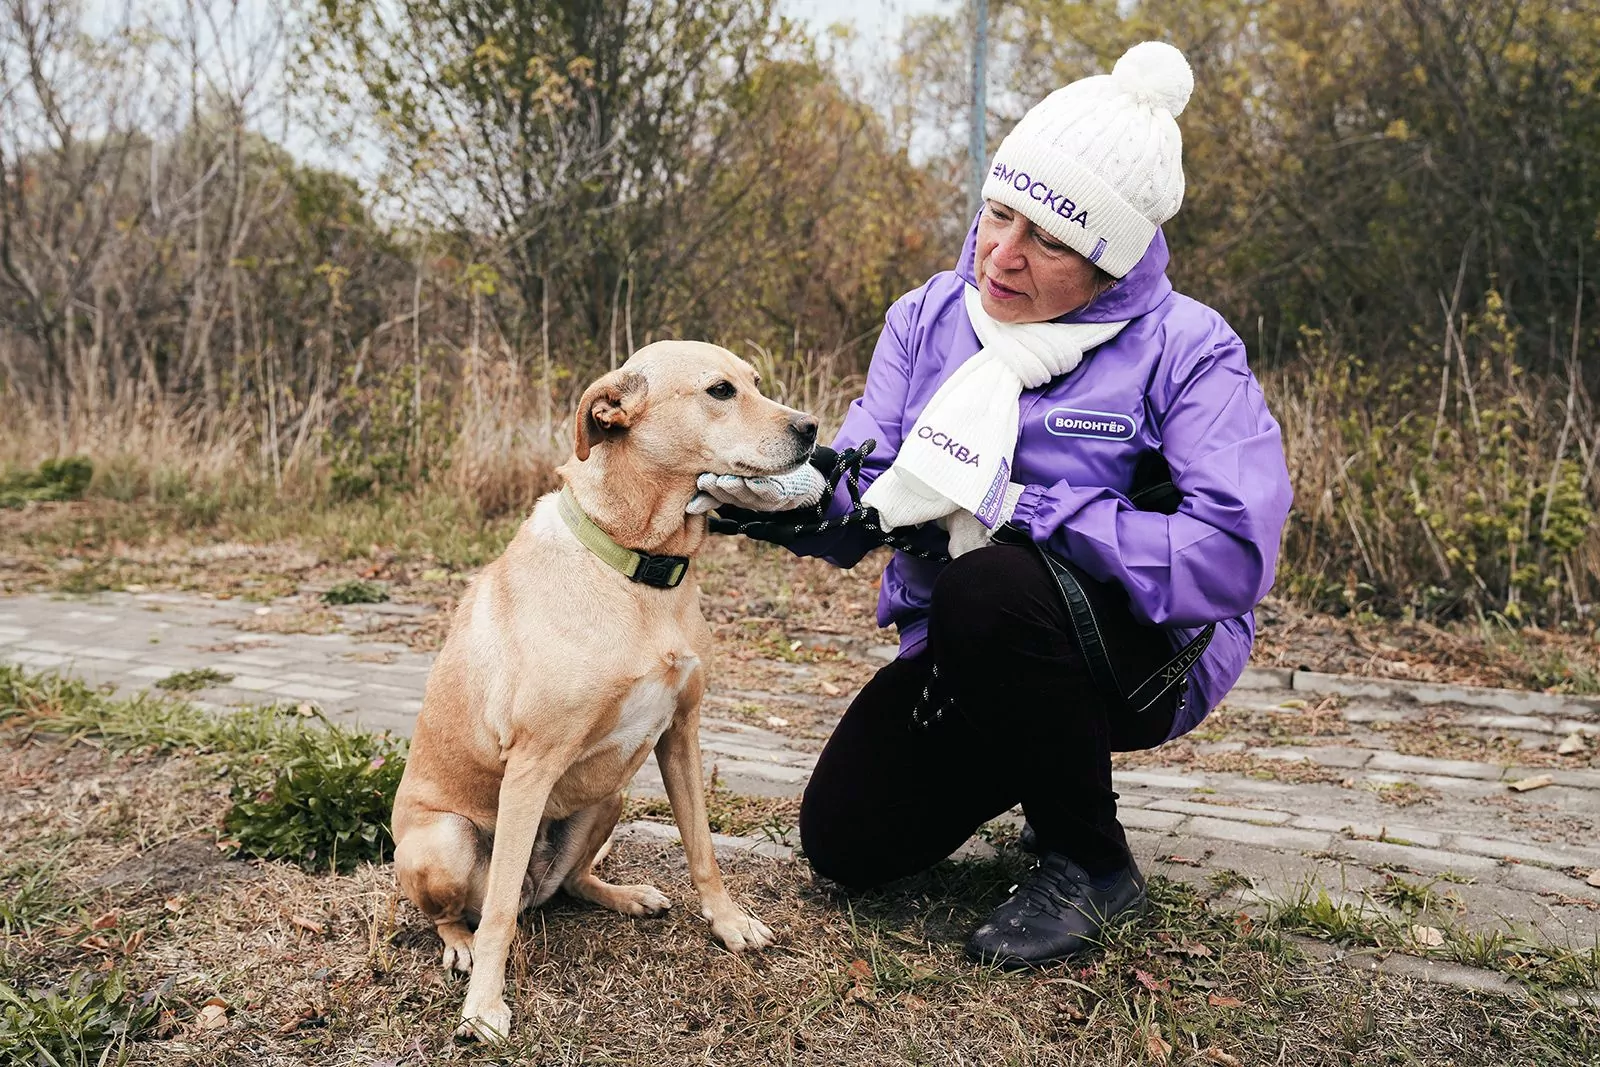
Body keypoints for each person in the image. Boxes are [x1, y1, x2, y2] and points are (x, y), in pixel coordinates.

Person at [693, 41, 1293, 968]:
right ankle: (1040, 749)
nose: (1001, 258)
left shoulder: (1186, 347)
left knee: (993, 581)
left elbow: (1231, 557)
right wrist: (788, 501)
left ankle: (1090, 863)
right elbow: (874, 483)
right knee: (848, 842)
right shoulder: (930, 316)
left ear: (1111, 262)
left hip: (1146, 654)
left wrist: (1023, 505)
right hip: (972, 642)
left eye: (1049, 241)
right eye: (997, 214)